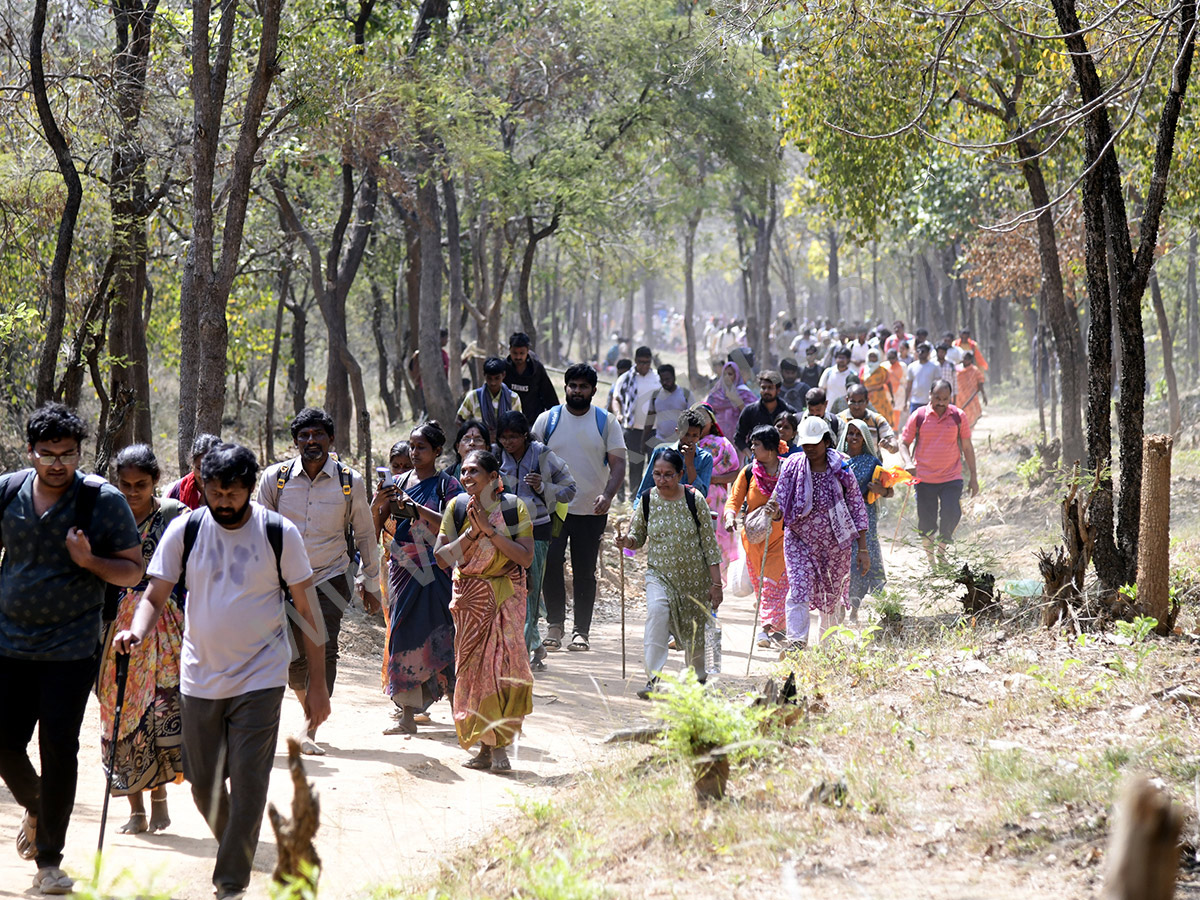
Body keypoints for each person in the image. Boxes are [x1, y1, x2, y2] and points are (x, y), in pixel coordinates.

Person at [113, 443, 329, 900]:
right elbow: (154, 594)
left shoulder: (278, 533)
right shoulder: (187, 530)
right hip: (200, 677)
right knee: (203, 785)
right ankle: (240, 847)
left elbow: (309, 611)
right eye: (215, 492)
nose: (224, 501)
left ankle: (230, 883)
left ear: (250, 488)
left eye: (233, 493)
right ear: (204, 487)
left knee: (249, 783)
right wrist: (136, 631)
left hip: (261, 677)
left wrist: (318, 686)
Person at [0, 403, 143, 896]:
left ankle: (49, 861)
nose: (57, 464)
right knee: (4, 742)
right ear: (30, 452)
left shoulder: (102, 500)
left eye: (67, 454)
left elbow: (132, 570)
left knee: (58, 748)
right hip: (9, 643)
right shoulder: (8, 491)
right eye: (48, 454)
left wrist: (89, 560)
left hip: (70, 647)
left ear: (80, 453)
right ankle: (39, 804)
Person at [257, 407, 381, 756]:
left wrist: (371, 583)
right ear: (296, 441)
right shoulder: (275, 478)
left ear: (331, 439)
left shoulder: (349, 481)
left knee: (323, 646)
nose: (311, 441)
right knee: (293, 659)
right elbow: (258, 531)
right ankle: (308, 709)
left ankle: (309, 727)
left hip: (330, 576)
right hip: (282, 580)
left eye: (318, 435)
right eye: (304, 436)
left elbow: (365, 533)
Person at [99, 445, 189, 836]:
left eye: (141, 484)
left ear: (155, 481)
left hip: (165, 627)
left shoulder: (174, 516)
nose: (133, 491)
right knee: (119, 713)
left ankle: (159, 797)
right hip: (116, 632)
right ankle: (135, 809)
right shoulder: (106, 516)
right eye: (126, 484)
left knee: (160, 712)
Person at [434, 451, 534, 772]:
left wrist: (490, 531)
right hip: (470, 599)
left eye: (474, 471)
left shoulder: (514, 507)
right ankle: (486, 747)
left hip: (507, 596)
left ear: (493, 477)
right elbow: (441, 557)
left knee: (504, 666)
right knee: (473, 671)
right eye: (463, 471)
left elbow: (525, 557)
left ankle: (499, 745)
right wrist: (471, 533)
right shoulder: (457, 507)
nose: (466, 477)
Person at [371, 422, 462, 735]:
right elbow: (377, 523)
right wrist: (377, 502)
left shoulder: (448, 486)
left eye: (421, 447)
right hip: (403, 568)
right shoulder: (397, 482)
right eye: (411, 446)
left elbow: (454, 524)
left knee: (444, 637)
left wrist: (416, 508)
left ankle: (460, 715)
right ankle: (407, 716)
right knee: (403, 637)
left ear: (437, 451)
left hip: (436, 569)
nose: (414, 452)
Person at [532, 364, 626, 652]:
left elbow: (618, 463)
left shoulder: (606, 422)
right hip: (553, 509)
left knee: (585, 571)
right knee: (551, 565)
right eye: (573, 385)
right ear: (565, 387)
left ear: (593, 391)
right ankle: (555, 625)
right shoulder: (547, 420)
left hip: (591, 510)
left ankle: (581, 632)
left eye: (583, 386)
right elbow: (531, 457)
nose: (577, 391)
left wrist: (608, 495)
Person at [617, 449, 723, 699]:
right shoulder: (647, 499)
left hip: (695, 580)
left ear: (680, 474)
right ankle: (653, 679)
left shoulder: (694, 499)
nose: (662, 480)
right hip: (660, 575)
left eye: (668, 475)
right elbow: (637, 537)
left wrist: (716, 584)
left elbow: (709, 544)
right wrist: (626, 541)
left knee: (697, 632)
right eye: (657, 474)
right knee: (656, 614)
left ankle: (698, 681)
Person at [764, 416, 870, 649]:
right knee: (798, 588)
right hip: (798, 540)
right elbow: (780, 500)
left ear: (826, 442)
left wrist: (863, 548)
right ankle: (796, 642)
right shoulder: (792, 465)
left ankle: (826, 646)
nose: (810, 449)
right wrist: (774, 510)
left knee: (830, 597)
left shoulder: (841, 468)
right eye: (806, 444)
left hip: (835, 545)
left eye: (815, 444)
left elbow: (856, 505)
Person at [496, 411, 577, 670]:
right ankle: (534, 645)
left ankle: (522, 654)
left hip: (537, 531)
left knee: (529, 592)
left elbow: (570, 489)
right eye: (503, 437)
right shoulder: (496, 456)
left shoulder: (542, 455)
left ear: (525, 435)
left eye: (513, 437)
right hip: (503, 534)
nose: (508, 443)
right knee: (508, 592)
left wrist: (543, 487)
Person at [901, 380, 980, 566]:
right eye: (937, 398)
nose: (941, 403)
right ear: (930, 395)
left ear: (950, 398)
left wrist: (974, 477)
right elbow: (903, 443)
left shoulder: (958, 416)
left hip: (951, 477)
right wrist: (907, 462)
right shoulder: (919, 416)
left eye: (945, 399)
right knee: (926, 522)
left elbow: (967, 447)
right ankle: (931, 561)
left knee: (952, 513)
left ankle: (941, 552)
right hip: (924, 478)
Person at [723, 425, 788, 647]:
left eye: (756, 444)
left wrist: (779, 513)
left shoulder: (788, 472)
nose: (751, 448)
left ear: (770, 448)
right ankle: (778, 629)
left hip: (782, 539)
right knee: (763, 586)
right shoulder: (749, 472)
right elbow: (734, 499)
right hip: (754, 541)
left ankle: (764, 630)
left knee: (774, 584)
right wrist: (730, 517)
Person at [837, 420, 891, 622]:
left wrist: (880, 490)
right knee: (841, 561)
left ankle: (854, 607)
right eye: (851, 433)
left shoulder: (873, 463)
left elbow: (890, 491)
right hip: (839, 517)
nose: (854, 437)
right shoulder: (835, 460)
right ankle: (839, 604)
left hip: (864, 518)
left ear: (865, 439)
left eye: (858, 434)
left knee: (860, 562)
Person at [693, 404, 742, 574]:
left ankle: (716, 580)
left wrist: (713, 479)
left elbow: (735, 473)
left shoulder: (722, 444)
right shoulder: (686, 443)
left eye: (703, 419)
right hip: (691, 497)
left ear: (711, 422)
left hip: (716, 500)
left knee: (715, 540)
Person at [634, 408, 713, 504]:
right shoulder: (661, 452)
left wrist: (690, 465)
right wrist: (637, 508)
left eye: (694, 435)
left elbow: (701, 494)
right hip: (662, 507)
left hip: (688, 510)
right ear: (677, 431)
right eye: (686, 434)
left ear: (700, 435)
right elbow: (646, 487)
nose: (689, 440)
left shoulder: (705, 458)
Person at [612, 346, 660, 498]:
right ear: (635, 361)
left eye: (647, 362)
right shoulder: (626, 378)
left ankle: (652, 496)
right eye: (641, 362)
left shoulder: (657, 378)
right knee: (635, 465)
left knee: (654, 464)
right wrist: (618, 413)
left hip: (654, 430)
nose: (644, 366)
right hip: (633, 430)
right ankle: (635, 497)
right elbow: (616, 398)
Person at [457, 356, 522, 443]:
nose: (493, 382)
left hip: (506, 444)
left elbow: (518, 423)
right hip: (480, 444)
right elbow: (459, 420)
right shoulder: (473, 396)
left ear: (503, 375)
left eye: (497, 378)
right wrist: (475, 434)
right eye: (489, 378)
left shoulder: (513, 398)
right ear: (484, 375)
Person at [734, 370, 795, 453]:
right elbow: (739, 438)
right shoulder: (750, 411)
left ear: (778, 390)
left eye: (770, 388)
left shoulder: (788, 411)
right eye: (763, 388)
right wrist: (751, 456)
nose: (766, 391)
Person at [504, 332, 559, 423]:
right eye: (515, 353)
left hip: (533, 421)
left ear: (528, 350)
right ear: (509, 350)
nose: (518, 357)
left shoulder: (537, 369)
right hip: (509, 422)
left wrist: (556, 419)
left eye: (522, 353)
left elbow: (549, 397)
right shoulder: (503, 369)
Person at [642, 363, 693, 452]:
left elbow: (693, 419)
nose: (665, 382)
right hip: (660, 442)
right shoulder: (655, 395)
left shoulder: (686, 394)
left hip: (681, 443)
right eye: (662, 380)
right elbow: (649, 420)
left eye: (667, 379)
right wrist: (643, 441)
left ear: (674, 378)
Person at [165, 432, 221, 510]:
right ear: (192, 464)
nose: (204, 475)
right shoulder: (176, 491)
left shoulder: (230, 492)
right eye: (199, 468)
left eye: (211, 468)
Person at [838, 384, 899, 453]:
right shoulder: (839, 420)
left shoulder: (877, 420)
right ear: (847, 400)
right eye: (853, 402)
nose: (856, 406)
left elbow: (894, 445)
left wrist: (889, 446)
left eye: (860, 402)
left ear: (867, 401)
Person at [705, 360, 756, 442]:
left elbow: (752, 414)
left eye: (730, 374)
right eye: (724, 374)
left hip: (739, 438)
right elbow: (707, 412)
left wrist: (736, 399)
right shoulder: (715, 394)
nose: (727, 377)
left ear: (736, 375)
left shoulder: (744, 393)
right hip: (719, 438)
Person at [858, 349, 895, 428]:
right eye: (870, 356)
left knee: (880, 418)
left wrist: (892, 397)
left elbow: (888, 383)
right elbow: (860, 383)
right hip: (867, 397)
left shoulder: (882, 370)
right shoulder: (863, 369)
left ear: (878, 357)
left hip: (880, 398)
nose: (872, 358)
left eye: (874, 356)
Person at [905, 342, 939, 413]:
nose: (920, 353)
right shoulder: (911, 366)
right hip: (915, 401)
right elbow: (909, 385)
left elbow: (937, 385)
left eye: (923, 351)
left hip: (929, 402)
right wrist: (906, 401)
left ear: (928, 353)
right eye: (918, 351)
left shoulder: (934, 367)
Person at [956, 351, 988, 427]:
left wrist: (984, 395)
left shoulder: (974, 370)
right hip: (959, 397)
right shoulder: (957, 369)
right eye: (963, 358)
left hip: (971, 398)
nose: (964, 360)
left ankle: (969, 430)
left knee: (972, 415)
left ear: (971, 360)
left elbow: (980, 382)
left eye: (967, 359)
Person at [886, 349, 907, 429]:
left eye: (893, 358)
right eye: (889, 358)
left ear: (897, 357)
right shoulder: (885, 366)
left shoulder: (903, 366)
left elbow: (905, 379)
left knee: (897, 411)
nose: (891, 360)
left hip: (899, 391)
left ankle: (896, 430)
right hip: (887, 392)